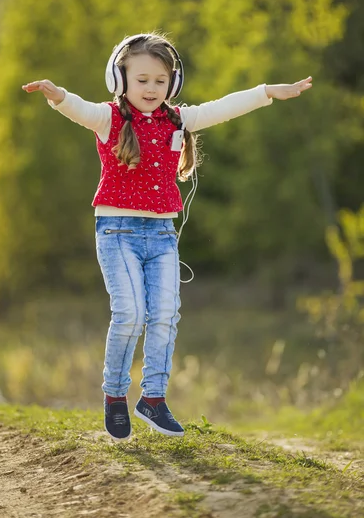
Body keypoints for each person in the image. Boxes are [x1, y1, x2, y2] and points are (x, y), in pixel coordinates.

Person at [22, 32, 312, 442]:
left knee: (164, 317)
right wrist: (57, 95)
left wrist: (266, 91)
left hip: (161, 234)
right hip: (117, 231)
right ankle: (115, 395)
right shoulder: (110, 119)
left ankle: (153, 399)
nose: (151, 89)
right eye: (141, 80)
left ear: (172, 84)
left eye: (161, 81)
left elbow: (222, 108)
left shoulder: (177, 120)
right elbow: (78, 109)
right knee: (130, 315)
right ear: (120, 80)